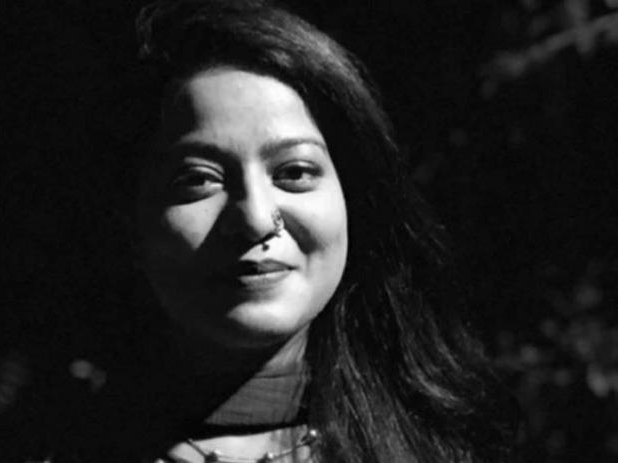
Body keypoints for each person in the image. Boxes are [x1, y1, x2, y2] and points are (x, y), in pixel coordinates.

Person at [74, 0, 516, 462]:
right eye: (199, 179)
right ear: (128, 219)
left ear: (354, 200)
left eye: (295, 172)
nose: (256, 219)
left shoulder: (449, 445)